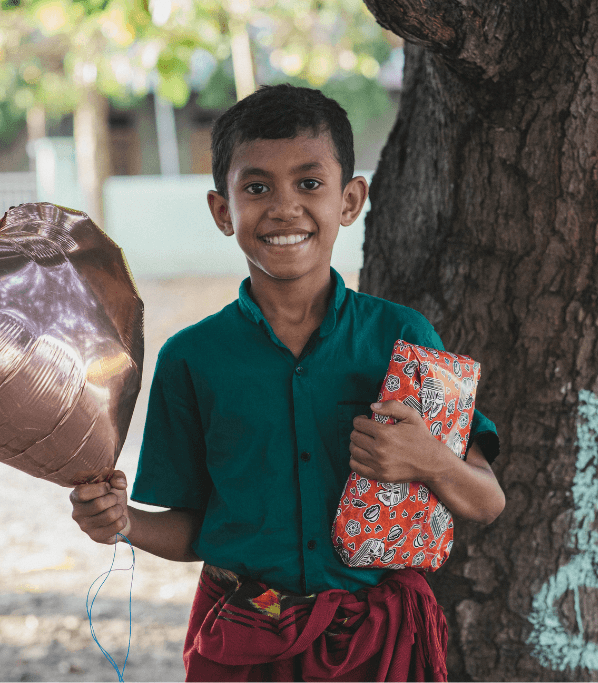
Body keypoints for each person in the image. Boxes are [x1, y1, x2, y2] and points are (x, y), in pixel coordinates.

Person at [70, 84, 505, 681]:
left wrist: (429, 459)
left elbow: (487, 500)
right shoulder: (192, 358)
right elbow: (197, 529)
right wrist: (123, 522)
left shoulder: (402, 338)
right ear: (223, 211)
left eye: (309, 183)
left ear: (350, 200)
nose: (284, 208)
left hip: (375, 642)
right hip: (242, 637)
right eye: (256, 188)